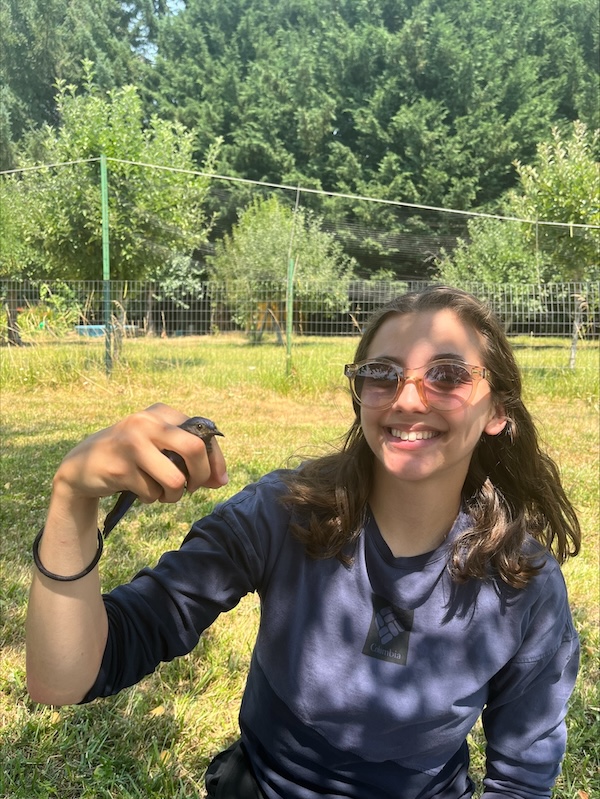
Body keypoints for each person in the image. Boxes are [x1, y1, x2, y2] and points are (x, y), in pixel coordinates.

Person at [26, 285, 581, 799]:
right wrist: (72, 501)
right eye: (382, 373)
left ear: (497, 411)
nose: (409, 400)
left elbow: (522, 777)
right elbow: (65, 678)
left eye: (448, 375)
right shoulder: (282, 514)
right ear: (360, 394)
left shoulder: (523, 582)